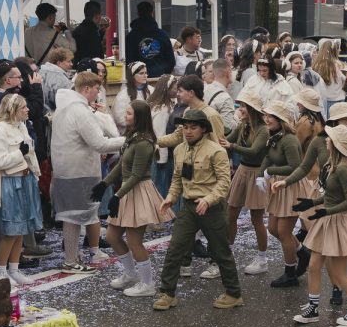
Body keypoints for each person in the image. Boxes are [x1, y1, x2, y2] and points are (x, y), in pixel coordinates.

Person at [153, 108, 243, 310]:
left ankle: (234, 293)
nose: (188, 131)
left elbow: (224, 182)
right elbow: (178, 179)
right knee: (175, 249)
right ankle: (167, 293)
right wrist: (170, 197)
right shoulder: (179, 150)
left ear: (203, 129)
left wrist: (209, 199)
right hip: (188, 207)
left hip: (212, 209)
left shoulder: (216, 151)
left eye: (193, 127)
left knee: (221, 252)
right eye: (185, 127)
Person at [291, 124, 347, 326]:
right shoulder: (330, 165)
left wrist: (326, 210)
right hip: (327, 221)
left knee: (338, 272)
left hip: (339, 222)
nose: (325, 139)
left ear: (336, 144)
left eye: (329, 138)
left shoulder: (344, 169)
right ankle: (312, 308)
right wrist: (312, 202)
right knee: (313, 265)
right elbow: (330, 195)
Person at [50, 71, 125, 272]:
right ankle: (71, 261)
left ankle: (73, 258)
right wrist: (130, 141)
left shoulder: (66, 107)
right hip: (78, 171)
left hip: (66, 170)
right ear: (86, 89)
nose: (98, 94)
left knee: (74, 216)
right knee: (74, 217)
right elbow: (99, 143)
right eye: (96, 90)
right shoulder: (79, 111)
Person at [95, 99, 166, 296]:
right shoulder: (131, 138)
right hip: (126, 190)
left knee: (135, 242)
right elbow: (121, 166)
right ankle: (130, 274)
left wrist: (117, 195)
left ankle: (147, 284)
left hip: (137, 191)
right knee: (112, 236)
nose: (124, 116)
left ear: (139, 118)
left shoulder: (144, 143)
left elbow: (136, 174)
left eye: (129, 114)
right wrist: (104, 183)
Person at [0, 93, 44, 284]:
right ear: (13, 110)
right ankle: (2, 271)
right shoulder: (1, 129)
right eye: (23, 107)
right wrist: (20, 153)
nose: (28, 110)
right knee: (11, 231)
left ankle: (14, 269)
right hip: (10, 184)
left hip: (25, 181)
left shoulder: (21, 126)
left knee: (22, 229)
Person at [220, 91, 271, 275]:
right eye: (240, 105)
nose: (240, 109)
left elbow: (255, 151)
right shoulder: (243, 124)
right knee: (231, 213)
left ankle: (262, 259)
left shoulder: (264, 130)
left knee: (256, 219)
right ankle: (226, 254)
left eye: (243, 106)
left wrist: (231, 146)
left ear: (252, 110)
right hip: (242, 171)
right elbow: (228, 139)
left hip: (256, 173)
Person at [261, 100, 308, 287]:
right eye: (267, 115)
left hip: (290, 186)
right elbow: (267, 156)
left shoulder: (289, 139)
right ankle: (303, 253)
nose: (267, 119)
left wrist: (271, 171)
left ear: (281, 120)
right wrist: (261, 175)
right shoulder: (273, 136)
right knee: (273, 228)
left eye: (271, 116)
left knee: (284, 231)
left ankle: (290, 273)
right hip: (278, 186)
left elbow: (295, 168)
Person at [124, 0, 175, 76]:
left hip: (138, 79)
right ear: (152, 13)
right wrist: (163, 72)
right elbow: (171, 61)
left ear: (138, 13)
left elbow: (129, 61)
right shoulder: (162, 35)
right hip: (160, 78)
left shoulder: (131, 37)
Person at [147, 75, 178, 197]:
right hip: (159, 156)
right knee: (161, 186)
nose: (177, 91)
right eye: (175, 88)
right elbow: (160, 135)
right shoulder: (162, 110)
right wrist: (162, 159)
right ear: (167, 89)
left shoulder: (157, 104)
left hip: (155, 153)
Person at [24, 0, 76, 64]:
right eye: (54, 17)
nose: (55, 20)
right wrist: (66, 30)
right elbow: (72, 48)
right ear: (50, 17)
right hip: (48, 71)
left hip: (32, 70)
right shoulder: (53, 33)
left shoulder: (27, 32)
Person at [312, 38, 346, 119]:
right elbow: (345, 81)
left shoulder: (316, 65)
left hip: (322, 101)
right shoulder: (340, 65)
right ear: (334, 50)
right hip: (337, 101)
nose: (340, 50)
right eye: (338, 49)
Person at [203, 58, 238, 132]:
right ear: (228, 73)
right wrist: (237, 117)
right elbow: (228, 129)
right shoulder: (225, 98)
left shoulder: (204, 89)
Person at [113, 62, 150, 129]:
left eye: (146, 73)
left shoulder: (151, 90)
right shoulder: (123, 95)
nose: (145, 76)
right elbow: (120, 119)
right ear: (132, 76)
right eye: (141, 73)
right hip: (130, 130)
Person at [38, 47, 74, 114]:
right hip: (56, 115)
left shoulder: (40, 72)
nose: (71, 64)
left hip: (41, 114)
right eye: (68, 61)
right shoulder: (61, 79)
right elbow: (67, 102)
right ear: (59, 63)